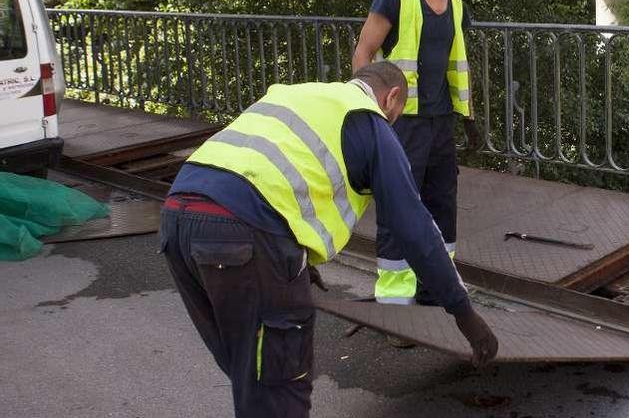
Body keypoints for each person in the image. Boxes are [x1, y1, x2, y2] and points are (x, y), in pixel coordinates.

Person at [158, 61, 498, 418]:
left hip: (178, 219)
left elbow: (275, 176)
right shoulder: (370, 121)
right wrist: (463, 314)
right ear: (392, 97)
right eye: (399, 112)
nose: (396, 122)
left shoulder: (296, 94)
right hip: (244, 233)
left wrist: (293, 259)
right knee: (277, 385)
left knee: (251, 374)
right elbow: (414, 228)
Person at [352, 0, 484, 308]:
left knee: (442, 202)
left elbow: (454, 62)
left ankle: (438, 289)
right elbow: (363, 53)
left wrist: (468, 117)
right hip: (401, 122)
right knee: (399, 204)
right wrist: (367, 112)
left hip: (441, 121)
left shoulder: (456, 6)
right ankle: (394, 300)